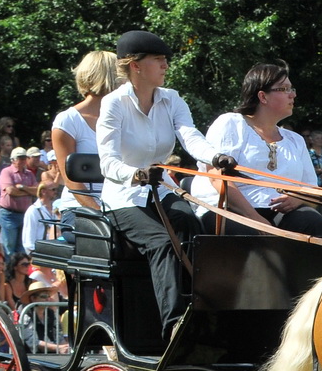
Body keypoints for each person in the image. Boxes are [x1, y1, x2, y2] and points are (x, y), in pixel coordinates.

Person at [96, 30, 232, 334]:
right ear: (135, 65)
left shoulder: (171, 99)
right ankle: (174, 327)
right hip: (124, 196)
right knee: (161, 241)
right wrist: (136, 174)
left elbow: (190, 135)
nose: (165, 65)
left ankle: (207, 315)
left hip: (160, 187)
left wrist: (216, 157)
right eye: (159, 59)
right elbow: (107, 161)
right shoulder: (114, 104)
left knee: (193, 227)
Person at [194, 61, 322, 237]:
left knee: (314, 224)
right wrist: (255, 219)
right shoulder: (231, 124)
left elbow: (312, 189)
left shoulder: (295, 140)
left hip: (282, 215)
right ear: (263, 96)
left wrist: (298, 199)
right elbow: (216, 177)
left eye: (292, 89)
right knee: (251, 238)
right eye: (284, 89)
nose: (292, 95)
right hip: (231, 211)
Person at [51, 50, 123, 213]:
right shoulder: (68, 121)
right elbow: (71, 181)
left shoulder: (125, 118)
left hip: (122, 206)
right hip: (81, 209)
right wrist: (99, 212)